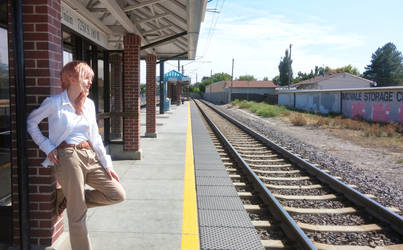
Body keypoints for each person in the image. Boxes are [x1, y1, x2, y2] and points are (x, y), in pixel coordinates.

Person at [27, 61, 126, 250]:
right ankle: (74, 205)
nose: (90, 82)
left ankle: (68, 199)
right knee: (77, 215)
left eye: (91, 79)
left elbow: (95, 137)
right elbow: (31, 122)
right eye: (86, 77)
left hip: (90, 155)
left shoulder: (88, 104)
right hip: (68, 156)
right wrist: (47, 146)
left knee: (117, 194)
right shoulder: (55, 103)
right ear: (71, 78)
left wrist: (108, 165)